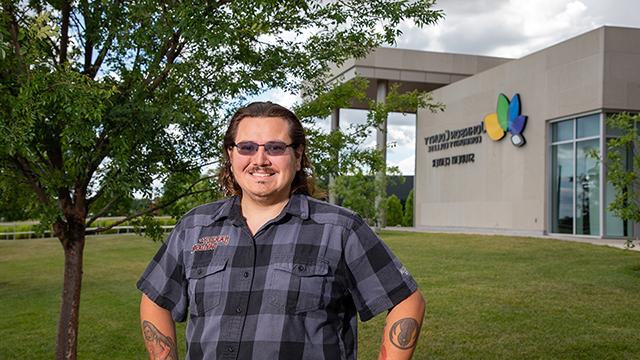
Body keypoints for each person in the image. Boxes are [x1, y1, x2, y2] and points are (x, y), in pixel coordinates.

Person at [137, 101, 425, 360]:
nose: (260, 160)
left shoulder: (340, 229)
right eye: (247, 147)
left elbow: (406, 300)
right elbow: (155, 300)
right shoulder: (194, 227)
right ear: (231, 154)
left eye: (275, 148)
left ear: (298, 156)